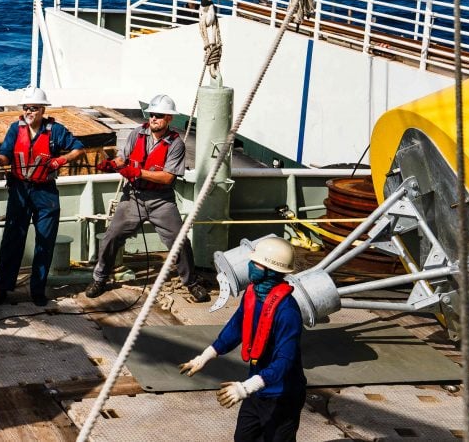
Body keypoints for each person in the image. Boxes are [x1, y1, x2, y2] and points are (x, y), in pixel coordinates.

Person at [85, 94, 211, 303]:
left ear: (169, 118)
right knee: (111, 236)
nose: (154, 118)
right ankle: (99, 278)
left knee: (180, 241)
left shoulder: (176, 145)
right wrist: (112, 164)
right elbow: (123, 158)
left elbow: (167, 177)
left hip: (161, 201)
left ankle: (191, 282)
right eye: (152, 114)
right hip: (133, 197)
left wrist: (138, 172)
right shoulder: (137, 134)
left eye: (159, 115)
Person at [178, 236, 306, 441]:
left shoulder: (287, 311)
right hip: (257, 390)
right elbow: (235, 328)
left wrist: (245, 388)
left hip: (282, 395)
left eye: (256, 263)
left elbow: (285, 361)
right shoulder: (252, 295)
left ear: (270, 271)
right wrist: (205, 356)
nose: (250, 265)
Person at [0, 87, 85, 307]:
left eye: (34, 108)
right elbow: (6, 155)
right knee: (12, 240)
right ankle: (2, 288)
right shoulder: (15, 129)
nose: (29, 112)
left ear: (43, 109)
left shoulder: (56, 131)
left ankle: (38, 290)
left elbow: (79, 149)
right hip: (19, 190)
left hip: (45, 192)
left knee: (45, 242)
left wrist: (61, 160)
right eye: (26, 108)